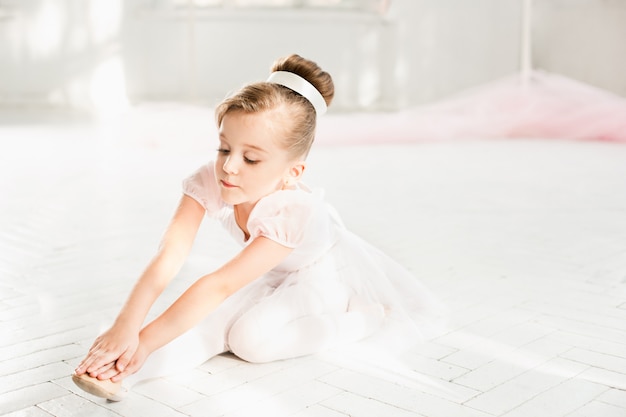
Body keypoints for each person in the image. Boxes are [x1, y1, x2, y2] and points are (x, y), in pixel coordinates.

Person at [72, 54, 442, 401]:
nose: (230, 167)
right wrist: (127, 327)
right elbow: (171, 253)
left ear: (291, 173)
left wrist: (146, 338)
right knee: (213, 326)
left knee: (250, 340)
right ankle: (121, 374)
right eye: (223, 148)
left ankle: (366, 315)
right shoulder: (213, 179)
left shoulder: (295, 212)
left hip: (322, 279)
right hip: (270, 272)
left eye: (251, 158)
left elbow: (220, 284)